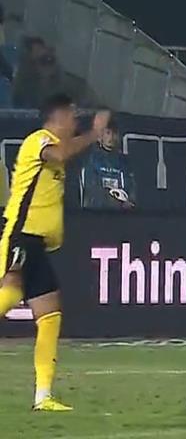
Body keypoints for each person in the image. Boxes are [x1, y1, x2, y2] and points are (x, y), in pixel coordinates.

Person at [0, 93, 110, 411]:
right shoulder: (39, 140)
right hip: (22, 235)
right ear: (58, 116)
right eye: (72, 116)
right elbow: (59, 154)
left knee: (49, 315)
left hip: (37, 243)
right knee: (10, 291)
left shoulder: (55, 146)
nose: (75, 122)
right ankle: (43, 395)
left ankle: (43, 396)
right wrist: (94, 133)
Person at [13, 42, 98, 109]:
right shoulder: (23, 89)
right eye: (42, 60)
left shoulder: (76, 87)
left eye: (49, 60)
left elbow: (93, 111)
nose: (47, 65)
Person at [80, 116, 136, 209]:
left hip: (122, 213)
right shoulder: (91, 159)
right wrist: (113, 201)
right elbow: (91, 189)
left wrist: (130, 201)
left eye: (114, 133)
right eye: (108, 133)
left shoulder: (124, 161)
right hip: (97, 211)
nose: (111, 137)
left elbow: (131, 186)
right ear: (100, 136)